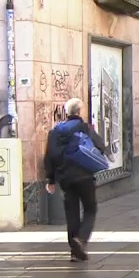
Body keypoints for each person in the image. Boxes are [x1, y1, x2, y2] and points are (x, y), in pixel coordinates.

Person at [45, 98, 106, 262]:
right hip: (85, 176)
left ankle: (74, 252)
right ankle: (82, 239)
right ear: (79, 112)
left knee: (71, 213)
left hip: (65, 178)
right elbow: (101, 146)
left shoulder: (55, 131)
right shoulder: (85, 128)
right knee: (90, 209)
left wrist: (51, 179)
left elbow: (49, 156)